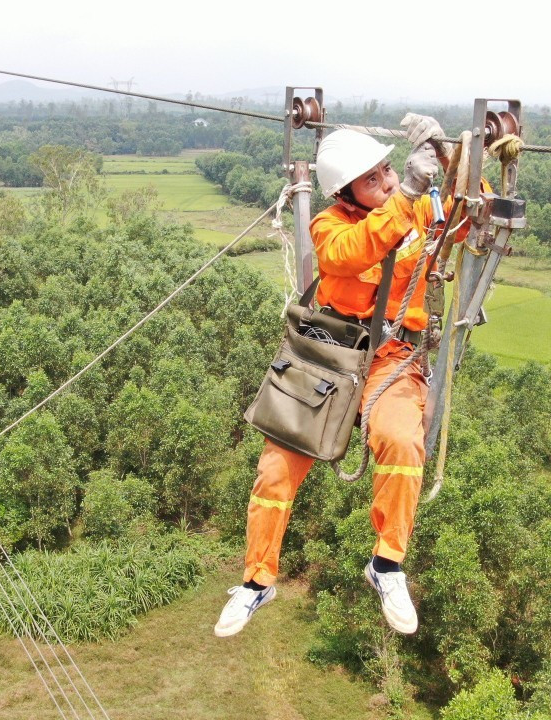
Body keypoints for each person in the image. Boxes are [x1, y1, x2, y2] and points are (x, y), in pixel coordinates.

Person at [216, 114, 461, 638]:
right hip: (331, 357)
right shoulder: (332, 226)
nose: (390, 182)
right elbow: (349, 254)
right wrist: (409, 192)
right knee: (276, 470)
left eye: (389, 171)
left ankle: (388, 563)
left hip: (392, 358)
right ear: (345, 193)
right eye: (372, 180)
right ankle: (257, 580)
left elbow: (470, 203)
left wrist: (449, 153)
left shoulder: (420, 207)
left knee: (400, 440)